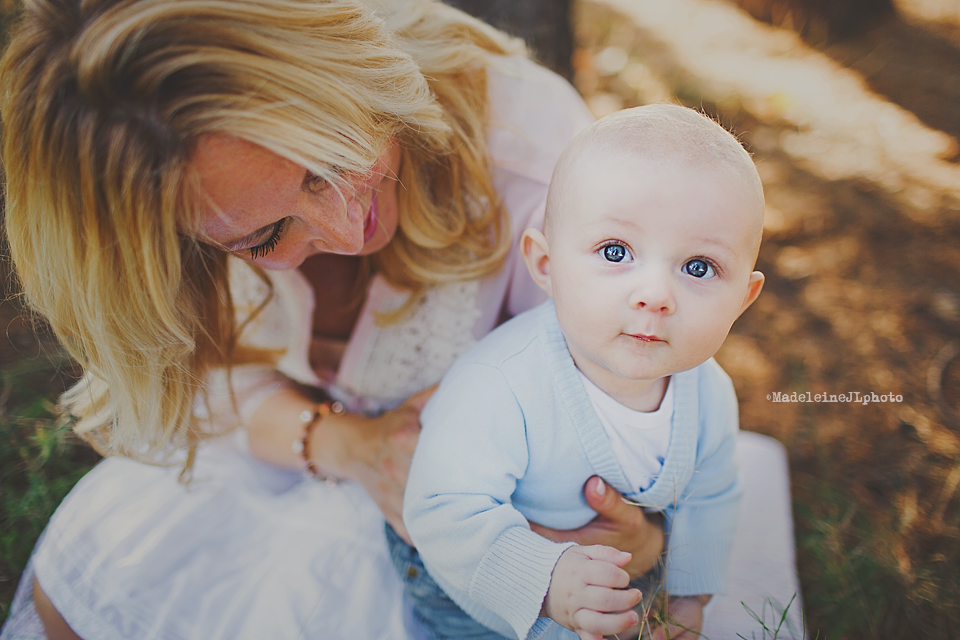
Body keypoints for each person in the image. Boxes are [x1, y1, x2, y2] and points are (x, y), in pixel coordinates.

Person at [0, 1, 671, 639]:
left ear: (353, 78)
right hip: (280, 454)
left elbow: (629, 399)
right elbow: (203, 385)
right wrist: (347, 443)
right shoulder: (169, 202)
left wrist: (639, 533)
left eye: (332, 161)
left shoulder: (532, 162)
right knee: (92, 582)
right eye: (262, 239)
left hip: (462, 522)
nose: (350, 230)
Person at [400, 104, 766, 640]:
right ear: (546, 265)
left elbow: (711, 497)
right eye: (616, 251)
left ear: (744, 298)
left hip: (613, 570)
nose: (655, 295)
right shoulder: (500, 384)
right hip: (476, 574)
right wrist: (547, 582)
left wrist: (688, 607)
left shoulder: (708, 392)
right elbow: (441, 509)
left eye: (698, 267)